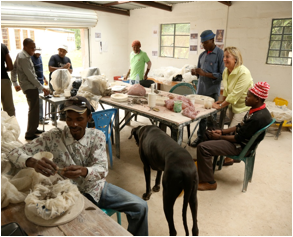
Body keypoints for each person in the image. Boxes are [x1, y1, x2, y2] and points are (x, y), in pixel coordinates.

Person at [7, 96, 148, 236]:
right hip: (65, 194)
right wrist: (33, 162)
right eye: (69, 119)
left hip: (95, 188)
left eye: (79, 119)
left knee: (140, 206)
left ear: (89, 118)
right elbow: (13, 153)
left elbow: (102, 169)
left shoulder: (97, 136)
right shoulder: (53, 137)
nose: (73, 124)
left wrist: (84, 171)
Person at [196, 82, 272, 191]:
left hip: (242, 146)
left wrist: (219, 137)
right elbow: (239, 126)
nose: (245, 98)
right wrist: (222, 132)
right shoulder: (257, 110)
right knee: (208, 132)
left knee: (203, 148)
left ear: (257, 99)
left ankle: (209, 182)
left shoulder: (257, 118)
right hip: (241, 140)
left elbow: (238, 138)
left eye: (248, 96)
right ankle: (204, 163)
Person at [190, 30, 225, 148]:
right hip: (201, 90)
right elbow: (200, 74)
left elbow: (221, 75)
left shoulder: (220, 54)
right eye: (202, 43)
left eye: (205, 43)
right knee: (201, 117)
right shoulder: (202, 55)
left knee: (211, 117)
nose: (203, 45)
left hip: (212, 92)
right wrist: (195, 72)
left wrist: (205, 74)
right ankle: (200, 137)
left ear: (212, 40)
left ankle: (211, 141)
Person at [11, 38, 50, 140]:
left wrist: (15, 82)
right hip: (29, 86)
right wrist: (42, 88)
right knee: (33, 110)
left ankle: (34, 128)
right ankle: (29, 134)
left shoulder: (22, 55)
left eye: (34, 47)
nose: (34, 49)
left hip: (29, 85)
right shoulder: (23, 58)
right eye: (31, 48)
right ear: (25, 47)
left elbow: (14, 69)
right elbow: (31, 76)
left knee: (35, 109)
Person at [48, 44, 72, 124]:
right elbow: (50, 69)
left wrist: (68, 68)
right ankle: (53, 118)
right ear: (58, 50)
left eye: (63, 51)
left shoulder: (67, 59)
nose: (61, 52)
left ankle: (62, 115)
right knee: (54, 100)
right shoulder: (54, 57)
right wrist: (63, 68)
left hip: (64, 83)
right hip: (54, 83)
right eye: (60, 50)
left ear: (66, 52)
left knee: (64, 99)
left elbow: (71, 71)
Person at [1, 43, 21, 116]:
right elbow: (10, 67)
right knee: (9, 109)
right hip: (4, 80)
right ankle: (12, 127)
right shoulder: (3, 47)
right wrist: (2, 69)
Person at [31, 47, 49, 125]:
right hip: (36, 83)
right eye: (36, 52)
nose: (38, 54)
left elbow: (40, 69)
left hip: (41, 81)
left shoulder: (40, 57)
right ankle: (40, 119)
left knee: (41, 101)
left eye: (39, 52)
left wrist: (44, 78)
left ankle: (41, 117)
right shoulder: (31, 58)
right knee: (39, 102)